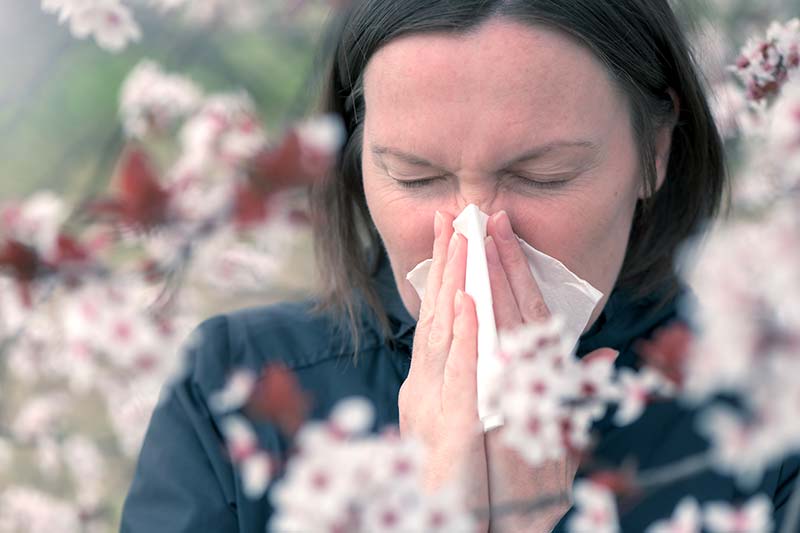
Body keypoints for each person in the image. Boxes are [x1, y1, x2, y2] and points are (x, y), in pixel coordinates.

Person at [120, 1, 799, 532]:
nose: (474, 236)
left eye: (545, 175)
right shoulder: (233, 385)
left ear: (655, 150)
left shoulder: (774, 401)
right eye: (416, 178)